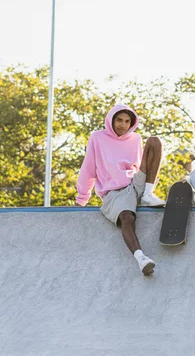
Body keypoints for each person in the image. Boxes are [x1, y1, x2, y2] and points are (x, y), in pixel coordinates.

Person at [76, 104, 166, 276]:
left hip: (135, 183)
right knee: (127, 217)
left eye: (126, 122)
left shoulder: (136, 139)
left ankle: (148, 193)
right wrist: (82, 198)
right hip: (114, 192)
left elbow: (141, 165)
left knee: (154, 141)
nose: (123, 125)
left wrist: (145, 182)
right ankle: (141, 258)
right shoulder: (97, 138)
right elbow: (88, 169)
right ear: (111, 120)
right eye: (119, 120)